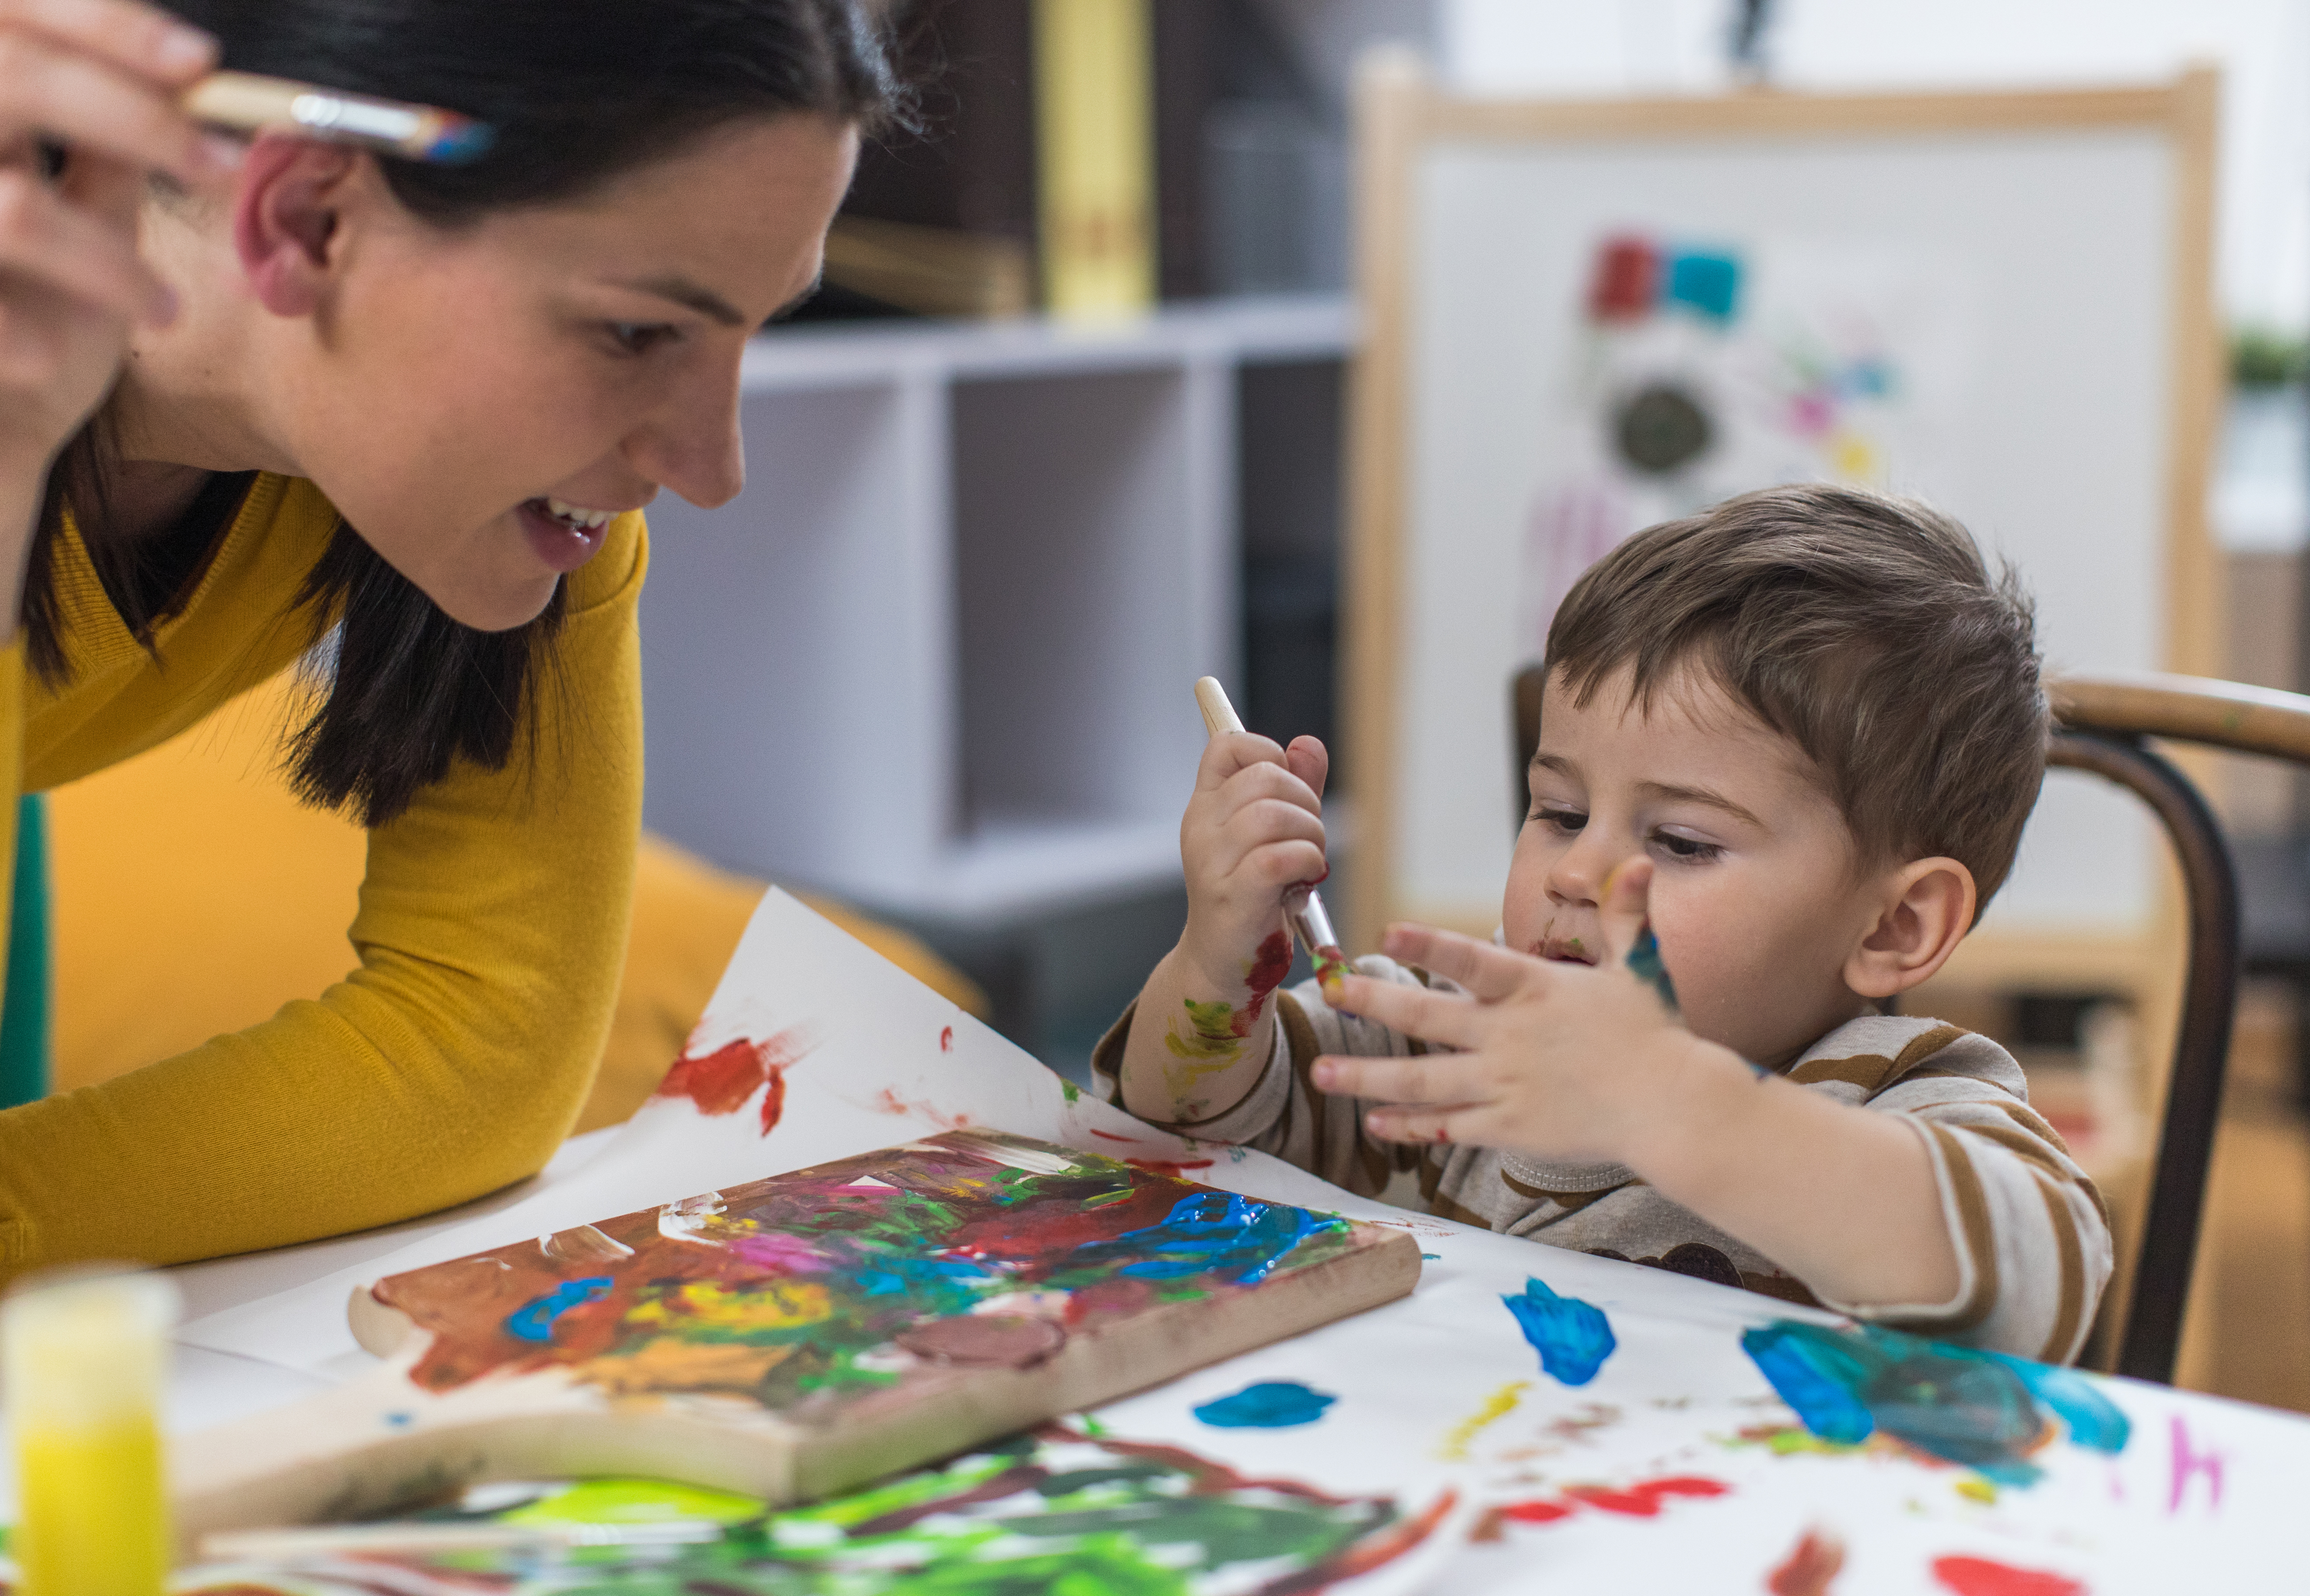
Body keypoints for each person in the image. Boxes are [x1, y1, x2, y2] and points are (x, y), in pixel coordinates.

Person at [0, 0, 895, 1277]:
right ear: (306, 221)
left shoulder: (505, 506)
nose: (709, 468)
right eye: (637, 333)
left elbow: (482, 1041)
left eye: (747, 331)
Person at [1100, 484, 2111, 1363]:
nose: (1579, 871)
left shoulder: (1904, 1097)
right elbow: (1174, 1122)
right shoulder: (1453, 1047)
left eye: (1680, 841)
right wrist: (1222, 954)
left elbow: (2039, 1283)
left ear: (1895, 924)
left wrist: (1677, 1106)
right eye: (1562, 813)